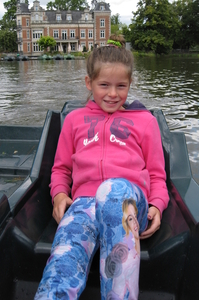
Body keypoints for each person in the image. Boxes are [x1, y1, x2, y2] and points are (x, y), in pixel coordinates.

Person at [35, 34, 169, 300]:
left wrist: (157, 205)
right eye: (104, 85)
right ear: (89, 83)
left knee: (113, 189)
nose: (112, 93)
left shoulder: (144, 121)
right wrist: (59, 194)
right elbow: (61, 169)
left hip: (127, 204)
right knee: (65, 254)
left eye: (121, 86)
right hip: (84, 203)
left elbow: (157, 173)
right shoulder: (74, 121)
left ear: (130, 85)